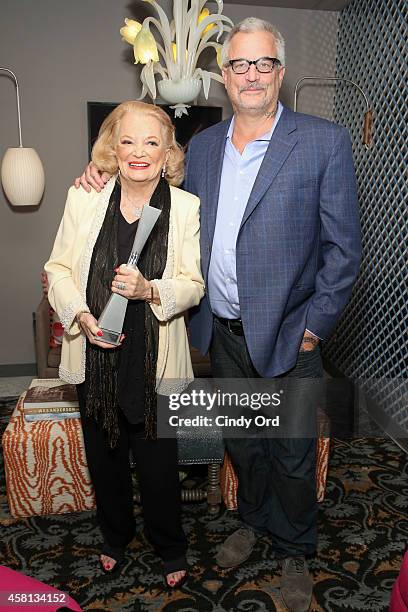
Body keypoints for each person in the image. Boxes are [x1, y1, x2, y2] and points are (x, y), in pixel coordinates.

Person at [75, 17, 361, 612]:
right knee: (245, 443)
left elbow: (344, 252)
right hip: (220, 331)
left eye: (262, 64)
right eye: (238, 65)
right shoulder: (202, 145)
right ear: (223, 79)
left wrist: (315, 327)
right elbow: (152, 187)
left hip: (290, 333)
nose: (250, 75)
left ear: (279, 74)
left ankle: (296, 548)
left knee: (292, 448)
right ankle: (254, 523)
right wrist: (99, 173)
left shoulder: (322, 141)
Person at [45, 100, 204, 589]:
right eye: (128, 140)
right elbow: (58, 270)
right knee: (105, 458)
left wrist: (150, 289)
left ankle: (169, 545)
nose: (139, 152)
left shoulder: (185, 207)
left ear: (167, 152)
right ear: (113, 146)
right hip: (96, 352)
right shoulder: (85, 198)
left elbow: (193, 284)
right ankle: (114, 536)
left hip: (155, 355)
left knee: (159, 465)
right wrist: (81, 314)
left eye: (152, 141)